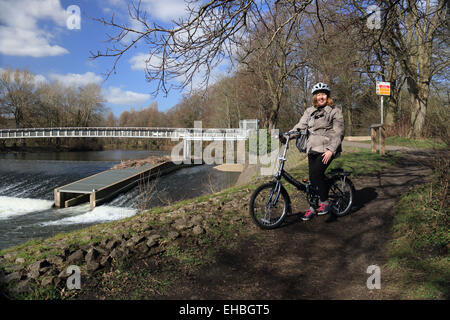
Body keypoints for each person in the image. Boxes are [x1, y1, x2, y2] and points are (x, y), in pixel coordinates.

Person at [289, 82, 344, 221]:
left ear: (327, 96)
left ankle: (325, 202)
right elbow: (300, 127)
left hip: (327, 149)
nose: (321, 97)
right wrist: (287, 135)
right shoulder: (309, 112)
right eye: (318, 94)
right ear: (315, 97)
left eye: (323, 94)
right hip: (312, 149)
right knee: (313, 181)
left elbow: (339, 133)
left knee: (316, 175)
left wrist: (331, 150)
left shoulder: (335, 111)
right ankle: (313, 208)